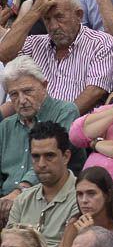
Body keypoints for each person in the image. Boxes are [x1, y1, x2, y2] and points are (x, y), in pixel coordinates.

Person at [0, 0, 113, 114]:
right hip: (33, 120)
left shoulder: (100, 42)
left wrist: (60, 119)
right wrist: (34, 12)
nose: (53, 26)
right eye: (47, 19)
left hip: (75, 122)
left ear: (79, 15)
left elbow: (94, 92)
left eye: (59, 17)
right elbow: (4, 54)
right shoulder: (34, 43)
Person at [0, 58, 78, 199]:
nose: (22, 100)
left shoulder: (65, 112)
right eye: (14, 94)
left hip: (50, 198)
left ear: (44, 86)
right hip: (6, 200)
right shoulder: (6, 126)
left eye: (27, 91)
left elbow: (50, 162)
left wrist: (20, 192)